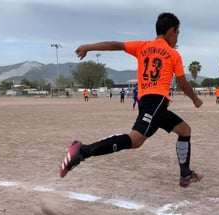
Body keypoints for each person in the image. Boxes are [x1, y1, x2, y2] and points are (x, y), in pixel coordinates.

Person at [60, 12, 203, 187]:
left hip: (148, 100)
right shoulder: (173, 54)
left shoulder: (142, 46)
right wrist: (195, 99)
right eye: (178, 33)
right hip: (156, 101)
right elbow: (183, 83)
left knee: (184, 130)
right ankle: (83, 151)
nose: (177, 37)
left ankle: (185, 174)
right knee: (135, 140)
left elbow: (115, 45)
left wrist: (88, 47)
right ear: (171, 31)